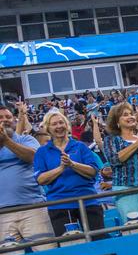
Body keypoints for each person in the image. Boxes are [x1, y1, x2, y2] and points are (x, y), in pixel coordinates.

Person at [33, 110, 104, 235]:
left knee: (99, 240)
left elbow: (93, 171)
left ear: (67, 125)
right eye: (54, 124)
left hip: (88, 200)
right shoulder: (42, 152)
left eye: (61, 123)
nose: (59, 126)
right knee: (70, 245)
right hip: (60, 205)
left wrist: (72, 164)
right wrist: (61, 168)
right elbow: (40, 179)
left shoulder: (80, 147)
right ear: (48, 128)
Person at [0, 103, 54, 246]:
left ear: (14, 120)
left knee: (46, 251)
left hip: (32, 207)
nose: (5, 119)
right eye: (0, 117)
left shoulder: (26, 139)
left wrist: (6, 141)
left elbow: (34, 157)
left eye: (8, 117)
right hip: (2, 214)